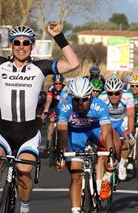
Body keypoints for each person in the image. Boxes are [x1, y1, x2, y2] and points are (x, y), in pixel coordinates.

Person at [0, 11, 79, 213]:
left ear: (32, 46)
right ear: (11, 45)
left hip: (28, 135)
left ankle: (24, 207)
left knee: (24, 173)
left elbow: (74, 64)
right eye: (17, 42)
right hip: (3, 132)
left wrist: (58, 36)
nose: (21, 47)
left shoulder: (41, 66)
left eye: (26, 43)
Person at [56, 77, 116, 213]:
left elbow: (106, 134)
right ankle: (76, 210)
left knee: (115, 140)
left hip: (94, 131)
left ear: (90, 97)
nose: (80, 103)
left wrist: (111, 154)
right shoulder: (64, 108)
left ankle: (106, 177)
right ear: (71, 98)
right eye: (76, 99)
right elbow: (63, 134)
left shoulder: (99, 105)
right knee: (76, 176)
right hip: (75, 136)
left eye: (84, 99)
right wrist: (61, 154)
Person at [98, 75, 135, 181]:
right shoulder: (102, 97)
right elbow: (98, 118)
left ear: (121, 92)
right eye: (110, 93)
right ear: (106, 92)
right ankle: (111, 163)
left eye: (117, 93)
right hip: (108, 121)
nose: (114, 96)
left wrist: (129, 133)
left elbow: (131, 115)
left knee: (128, 140)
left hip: (122, 120)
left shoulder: (128, 95)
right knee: (115, 144)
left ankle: (122, 164)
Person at [41, 74, 65, 151]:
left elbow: (67, 101)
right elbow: (48, 100)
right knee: (51, 122)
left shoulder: (66, 89)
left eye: (59, 83)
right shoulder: (51, 89)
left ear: (62, 83)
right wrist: (46, 110)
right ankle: (47, 143)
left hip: (64, 107)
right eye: (56, 84)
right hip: (54, 107)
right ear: (53, 83)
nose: (58, 85)